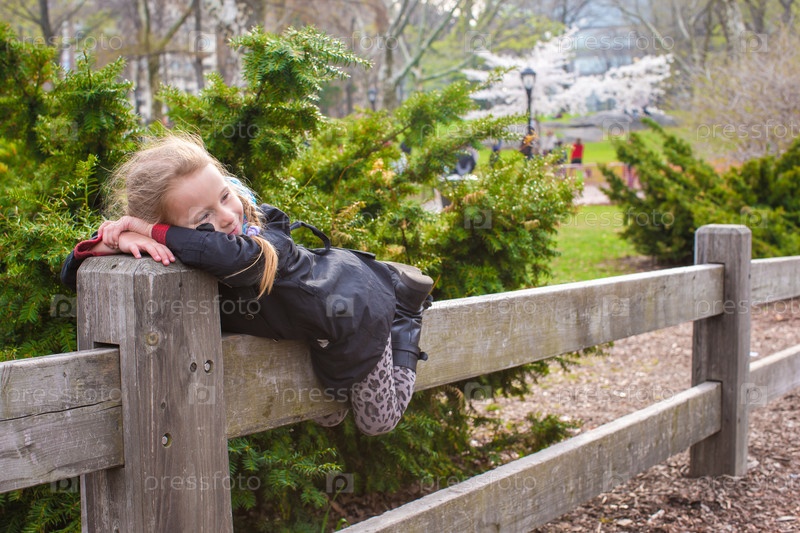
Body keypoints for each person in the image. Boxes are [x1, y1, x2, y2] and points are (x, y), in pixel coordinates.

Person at [60, 133, 434, 436]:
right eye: (203, 217)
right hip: (314, 326)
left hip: (359, 307)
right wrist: (115, 241)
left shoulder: (266, 233)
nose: (227, 216)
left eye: (225, 196)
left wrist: (147, 228)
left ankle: (405, 312)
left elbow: (232, 259)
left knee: (377, 421)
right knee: (328, 412)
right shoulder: (182, 251)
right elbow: (70, 277)